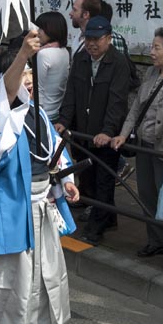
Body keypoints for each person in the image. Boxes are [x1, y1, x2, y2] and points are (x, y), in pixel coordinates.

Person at [0, 31, 80, 324]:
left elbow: (52, 153)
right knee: (1, 274)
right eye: (21, 74)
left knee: (40, 274)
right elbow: (7, 91)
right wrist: (22, 57)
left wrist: (65, 181)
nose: (27, 81)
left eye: (30, 75)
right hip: (7, 204)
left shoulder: (37, 112)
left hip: (41, 200)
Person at [111, 26, 163, 271]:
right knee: (147, 195)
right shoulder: (150, 73)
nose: (151, 52)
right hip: (145, 146)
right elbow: (136, 108)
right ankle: (156, 240)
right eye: (152, 46)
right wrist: (123, 134)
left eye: (156, 47)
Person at [55, 15, 131, 243]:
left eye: (97, 40)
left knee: (104, 180)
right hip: (83, 130)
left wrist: (108, 131)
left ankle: (96, 229)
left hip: (105, 134)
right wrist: (64, 120)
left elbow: (117, 102)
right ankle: (108, 217)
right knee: (87, 177)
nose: (92, 44)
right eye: (88, 39)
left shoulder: (118, 63)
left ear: (108, 39)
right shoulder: (81, 59)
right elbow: (71, 93)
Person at [33, 11, 69, 122]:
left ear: (51, 30)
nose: (38, 33)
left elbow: (38, 88)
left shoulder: (44, 54)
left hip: (43, 113)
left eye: (41, 29)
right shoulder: (64, 51)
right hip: (56, 111)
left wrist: (36, 116)